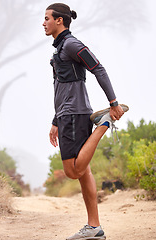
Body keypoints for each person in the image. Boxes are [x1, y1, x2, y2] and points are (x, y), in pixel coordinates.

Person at [43, 3, 128, 240]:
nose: (44, 23)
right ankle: (94, 228)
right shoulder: (60, 48)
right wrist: (55, 120)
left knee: (73, 171)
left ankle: (103, 124)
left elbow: (98, 68)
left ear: (59, 20)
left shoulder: (72, 44)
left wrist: (113, 103)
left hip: (74, 113)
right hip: (66, 114)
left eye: (47, 18)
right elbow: (60, 88)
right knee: (84, 172)